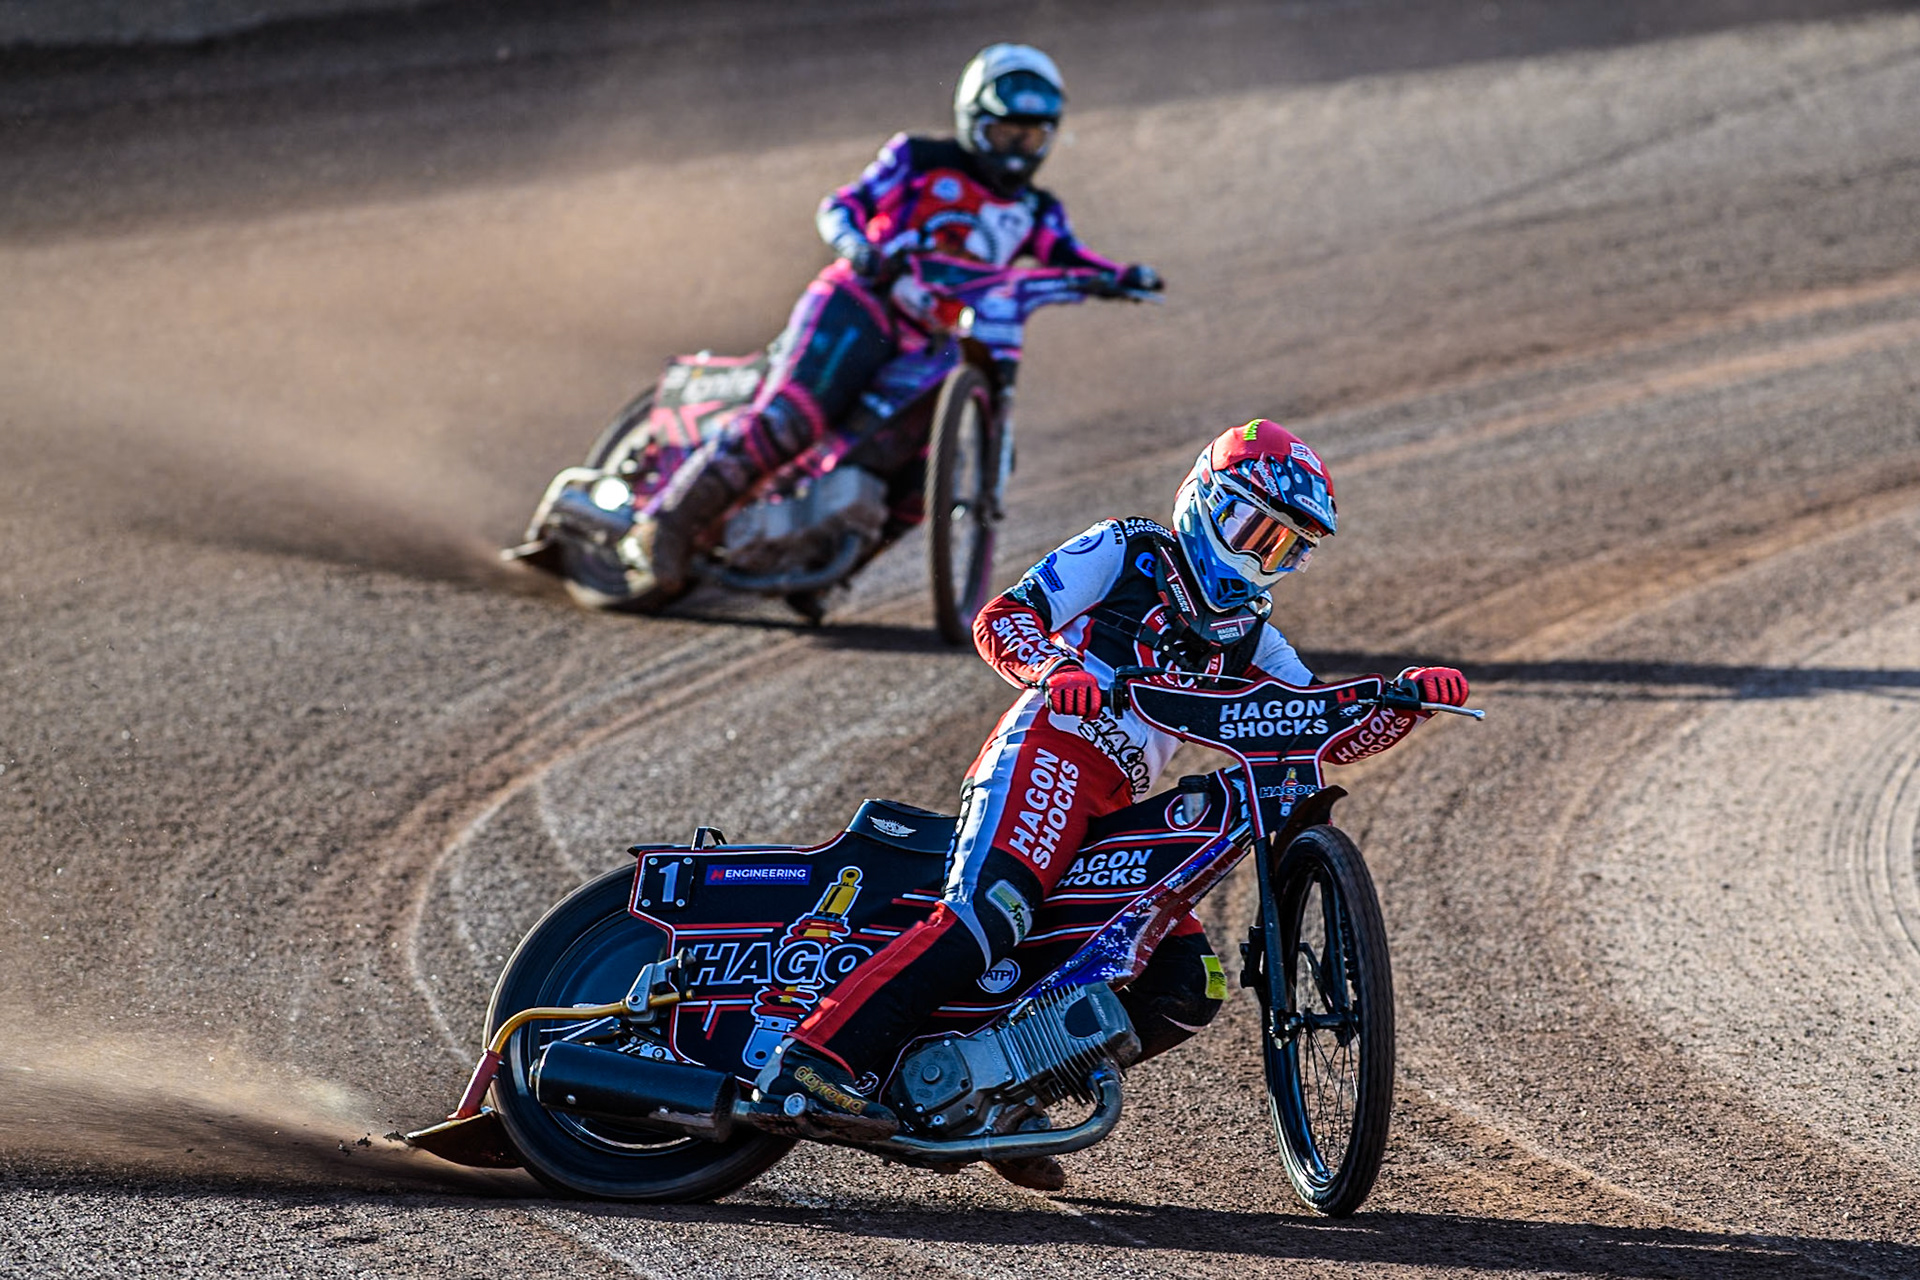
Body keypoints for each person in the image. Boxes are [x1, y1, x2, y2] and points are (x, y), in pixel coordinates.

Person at [751, 418, 1470, 1189]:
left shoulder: (1254, 639)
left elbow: (1310, 729)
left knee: (1190, 983)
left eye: (1283, 547)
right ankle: (809, 1062)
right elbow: (1002, 619)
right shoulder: (1127, 547)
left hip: (1116, 798)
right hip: (1049, 751)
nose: (1259, 556)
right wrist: (1056, 669)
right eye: (1250, 528)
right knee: (990, 914)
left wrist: (1402, 705)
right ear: (1204, 500)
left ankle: (1002, 1101)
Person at [623, 43, 1163, 604]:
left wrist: (1125, 276)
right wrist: (855, 243)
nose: (1018, 151)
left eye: (1032, 137)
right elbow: (841, 205)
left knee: (925, 474)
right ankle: (666, 525)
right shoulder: (917, 159)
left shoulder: (1037, 211)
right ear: (974, 122)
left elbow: (1071, 257)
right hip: (861, 302)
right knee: (794, 418)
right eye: (1007, 133)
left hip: (927, 344)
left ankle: (824, 568)